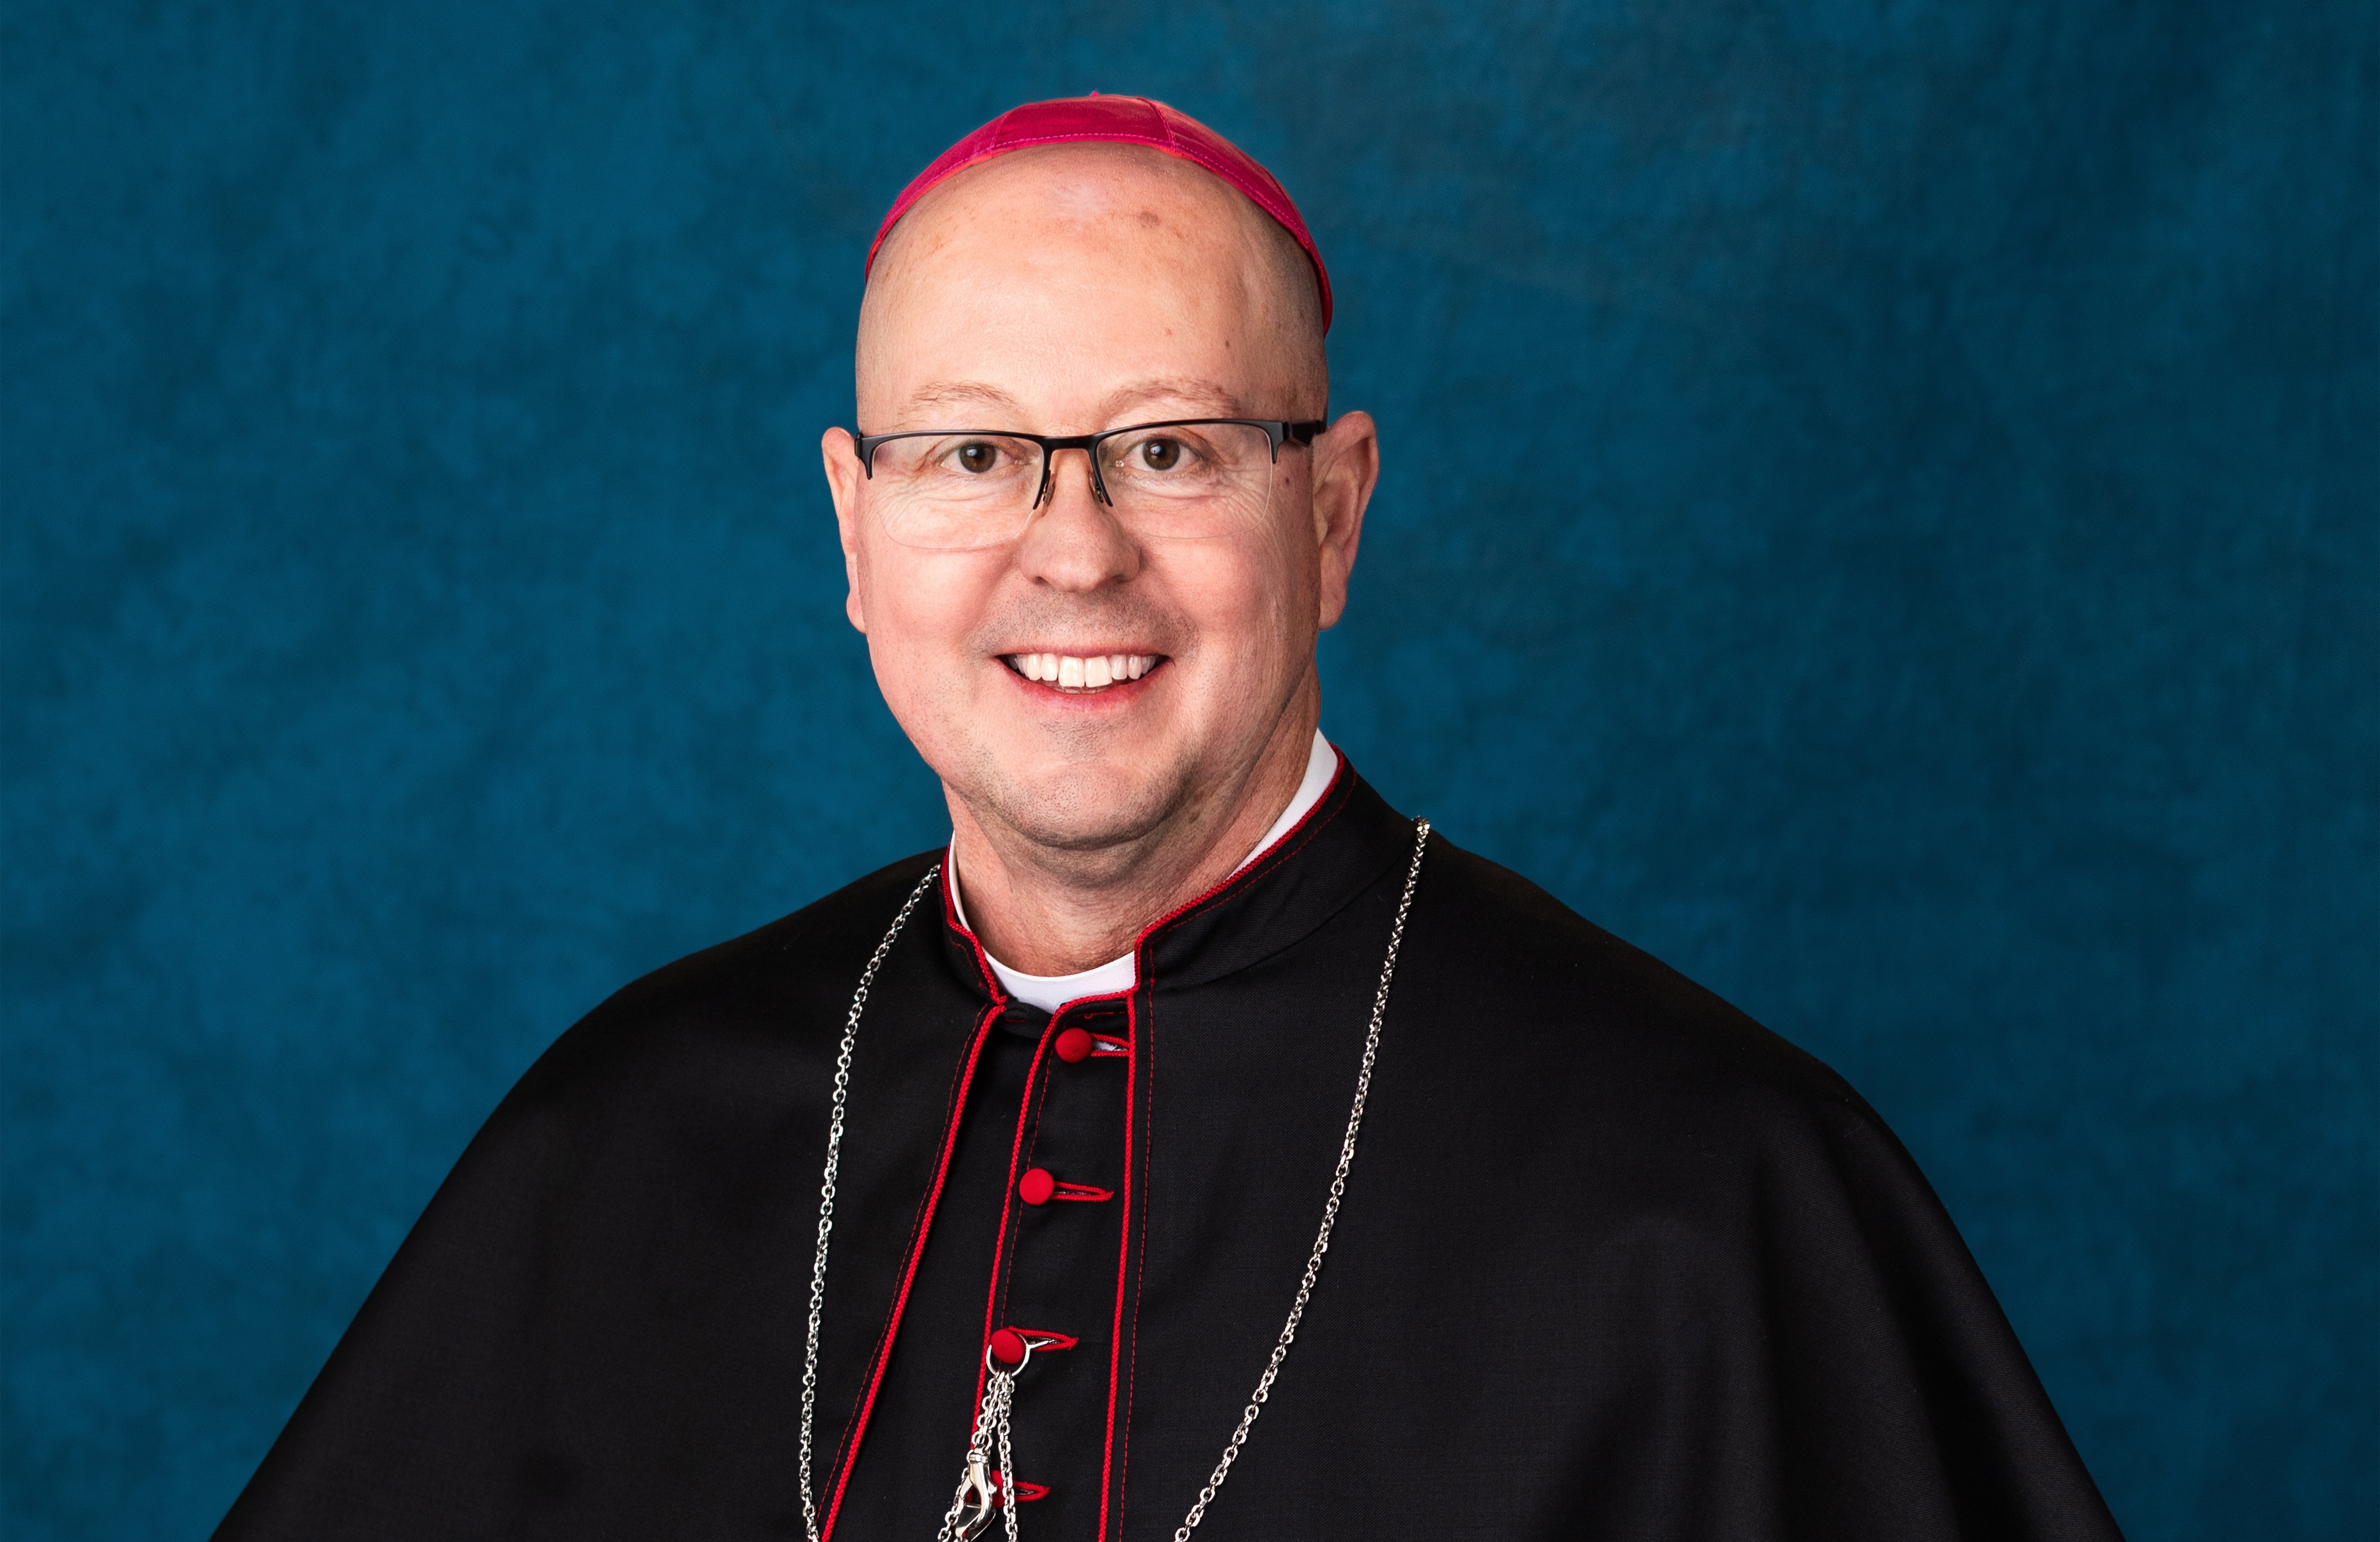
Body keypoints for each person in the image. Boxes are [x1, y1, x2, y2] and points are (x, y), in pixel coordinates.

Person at [217, 95, 2121, 1541]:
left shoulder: (1711, 1191)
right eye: (971, 451)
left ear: (1335, 515)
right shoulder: (621, 1132)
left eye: (1172, 448)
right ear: (855, 534)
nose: (1074, 551)